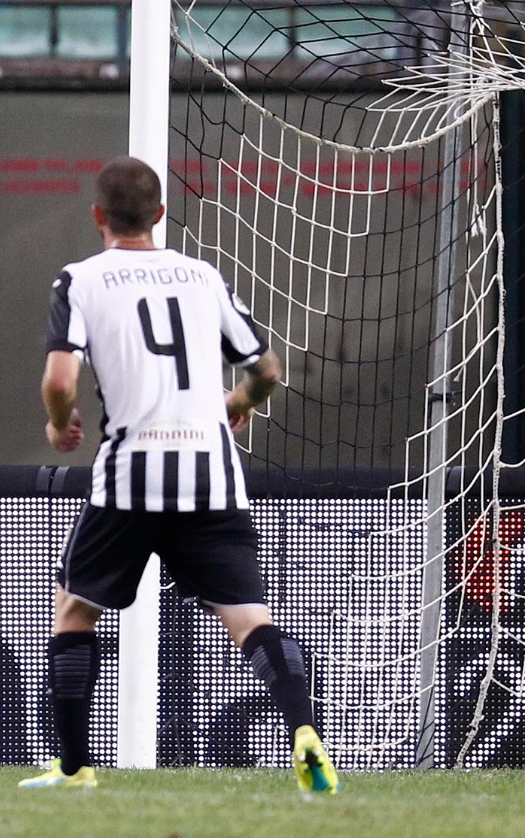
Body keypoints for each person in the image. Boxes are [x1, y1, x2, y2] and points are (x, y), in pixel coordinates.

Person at [21, 155, 339, 794]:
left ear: (97, 217)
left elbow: (60, 380)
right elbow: (267, 369)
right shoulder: (201, 276)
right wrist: (237, 405)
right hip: (210, 472)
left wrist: (60, 426)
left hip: (132, 474)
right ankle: (304, 732)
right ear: (160, 214)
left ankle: (76, 768)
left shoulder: (82, 279)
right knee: (249, 617)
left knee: (76, 613)